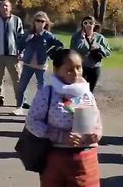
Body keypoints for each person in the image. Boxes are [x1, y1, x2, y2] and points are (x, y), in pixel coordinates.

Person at [26, 49, 102, 187]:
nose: (76, 73)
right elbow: (32, 122)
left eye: (78, 68)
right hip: (55, 161)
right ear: (56, 70)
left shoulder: (86, 93)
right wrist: (60, 136)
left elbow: (97, 121)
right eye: (69, 69)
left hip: (85, 161)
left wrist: (94, 135)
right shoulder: (47, 93)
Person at [14, 11, 64, 116]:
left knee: (42, 88)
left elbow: (60, 44)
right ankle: (19, 107)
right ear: (34, 22)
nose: (40, 23)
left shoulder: (48, 36)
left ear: (46, 23)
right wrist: (26, 41)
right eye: (38, 21)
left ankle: (42, 109)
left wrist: (51, 54)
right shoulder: (28, 33)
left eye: (42, 21)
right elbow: (19, 45)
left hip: (41, 65)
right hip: (28, 63)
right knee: (22, 86)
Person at [0, 0, 24, 106]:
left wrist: (20, 52)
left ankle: (19, 99)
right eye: (3, 6)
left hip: (13, 55)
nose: (4, 8)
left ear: (10, 8)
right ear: (0, 8)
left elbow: (21, 38)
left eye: (7, 6)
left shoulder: (17, 20)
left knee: (17, 79)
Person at [70, 16, 111, 92]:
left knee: (90, 91)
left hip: (95, 67)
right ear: (83, 25)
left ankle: (88, 103)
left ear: (94, 24)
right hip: (81, 67)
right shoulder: (76, 36)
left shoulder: (100, 38)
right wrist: (81, 39)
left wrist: (99, 47)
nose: (88, 25)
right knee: (79, 90)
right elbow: (73, 51)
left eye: (91, 23)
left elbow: (108, 52)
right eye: (85, 23)